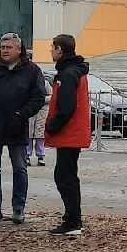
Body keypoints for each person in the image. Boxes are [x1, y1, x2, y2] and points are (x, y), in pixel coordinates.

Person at [0, 32, 47, 224]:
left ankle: (18, 207)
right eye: (2, 47)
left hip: (17, 127)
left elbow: (38, 97)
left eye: (9, 47)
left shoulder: (32, 71)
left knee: (20, 168)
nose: (4, 51)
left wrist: (22, 114)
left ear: (19, 49)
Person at [45, 33, 92, 236]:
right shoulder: (74, 71)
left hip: (69, 132)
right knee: (67, 175)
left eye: (52, 48)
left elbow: (66, 106)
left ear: (59, 50)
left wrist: (51, 125)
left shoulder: (68, 74)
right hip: (74, 132)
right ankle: (72, 219)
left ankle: (73, 220)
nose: (51, 51)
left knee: (65, 176)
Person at [27, 74, 51, 165]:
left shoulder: (46, 84)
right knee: (29, 134)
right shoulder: (28, 83)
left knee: (40, 135)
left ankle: (40, 155)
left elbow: (51, 95)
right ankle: (27, 155)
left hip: (42, 111)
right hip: (31, 109)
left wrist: (43, 99)